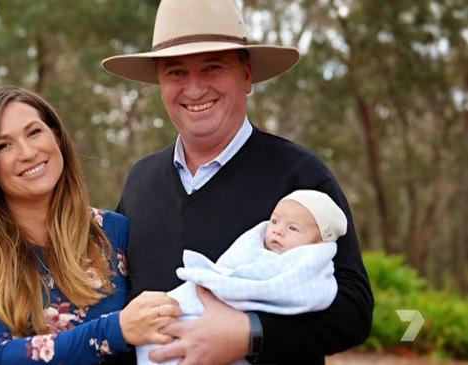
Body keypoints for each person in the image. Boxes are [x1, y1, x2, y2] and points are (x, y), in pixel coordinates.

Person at [101, 0, 374, 364]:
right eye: (176, 72)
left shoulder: (301, 176)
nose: (194, 89)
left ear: (246, 77)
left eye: (212, 68)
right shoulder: (140, 181)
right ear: (160, 83)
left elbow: (353, 310)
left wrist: (251, 334)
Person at [0, 85, 181, 365]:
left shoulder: (113, 232)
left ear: (56, 137)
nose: (28, 152)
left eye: (34, 132)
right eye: (3, 145)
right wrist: (115, 330)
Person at [137, 189, 347, 365]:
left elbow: (341, 312)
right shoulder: (252, 250)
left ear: (318, 244)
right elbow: (229, 270)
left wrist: (248, 331)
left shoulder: (304, 268)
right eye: (275, 221)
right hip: (186, 310)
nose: (278, 231)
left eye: (292, 228)